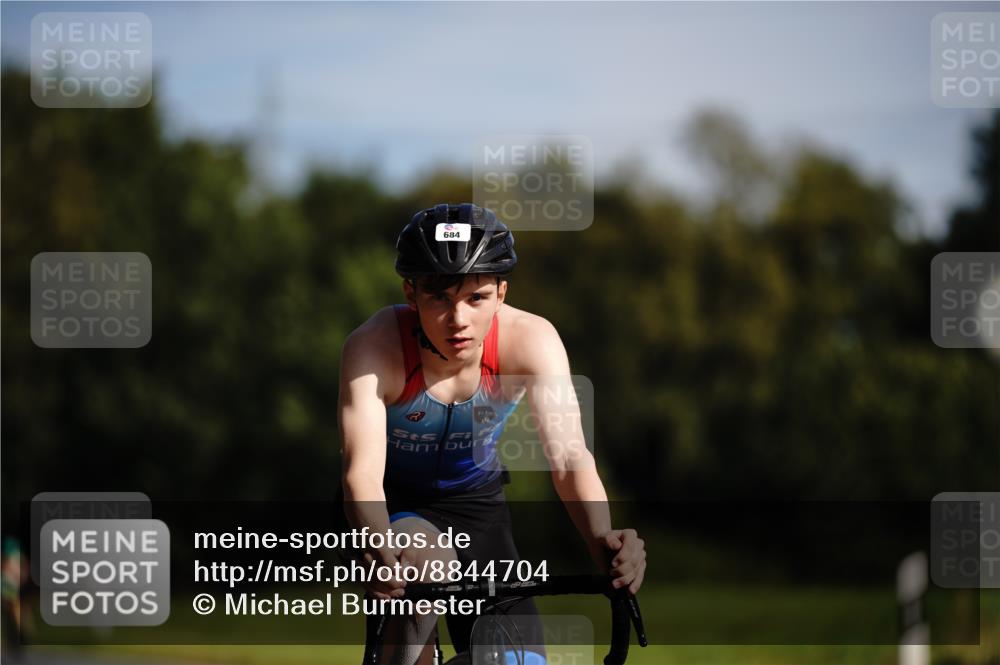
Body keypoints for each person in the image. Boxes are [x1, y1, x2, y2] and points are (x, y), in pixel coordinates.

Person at [338, 203, 646, 665]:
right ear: (411, 292)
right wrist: (378, 545)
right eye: (438, 297)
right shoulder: (374, 347)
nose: (457, 318)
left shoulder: (532, 340)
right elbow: (361, 476)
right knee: (428, 565)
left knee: (517, 663)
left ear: (501, 293)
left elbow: (567, 457)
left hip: (478, 507)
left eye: (475, 298)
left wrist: (602, 537)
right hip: (394, 508)